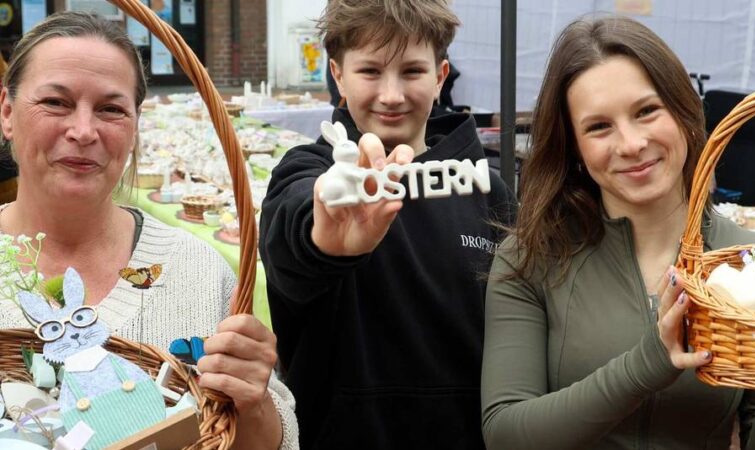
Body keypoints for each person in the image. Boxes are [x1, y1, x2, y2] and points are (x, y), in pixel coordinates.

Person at [481, 15, 755, 450]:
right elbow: (506, 434)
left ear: (683, 110)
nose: (630, 143)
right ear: (574, 146)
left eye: (647, 111)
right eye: (599, 127)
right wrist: (647, 363)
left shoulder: (749, 262)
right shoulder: (531, 256)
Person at [0, 12, 298, 450]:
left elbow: (273, 442)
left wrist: (252, 403)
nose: (83, 131)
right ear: (7, 112)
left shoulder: (196, 271)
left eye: (111, 109)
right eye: (56, 102)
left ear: (136, 126)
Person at [260, 0, 516, 448]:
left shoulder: (489, 190)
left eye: (412, 72)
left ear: (440, 77)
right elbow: (292, 236)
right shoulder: (309, 172)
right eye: (371, 71)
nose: (392, 95)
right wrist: (325, 237)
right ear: (338, 76)